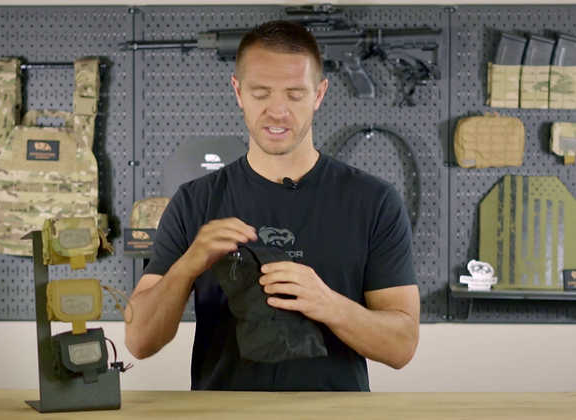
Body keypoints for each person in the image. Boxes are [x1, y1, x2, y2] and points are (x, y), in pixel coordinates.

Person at [125, 20, 420, 391]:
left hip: (333, 414)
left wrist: (329, 305)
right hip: (224, 415)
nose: (278, 111)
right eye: (261, 93)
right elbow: (139, 340)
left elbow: (401, 346)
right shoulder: (194, 202)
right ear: (238, 92)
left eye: (295, 95)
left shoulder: (374, 201)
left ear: (319, 94)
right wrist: (188, 265)